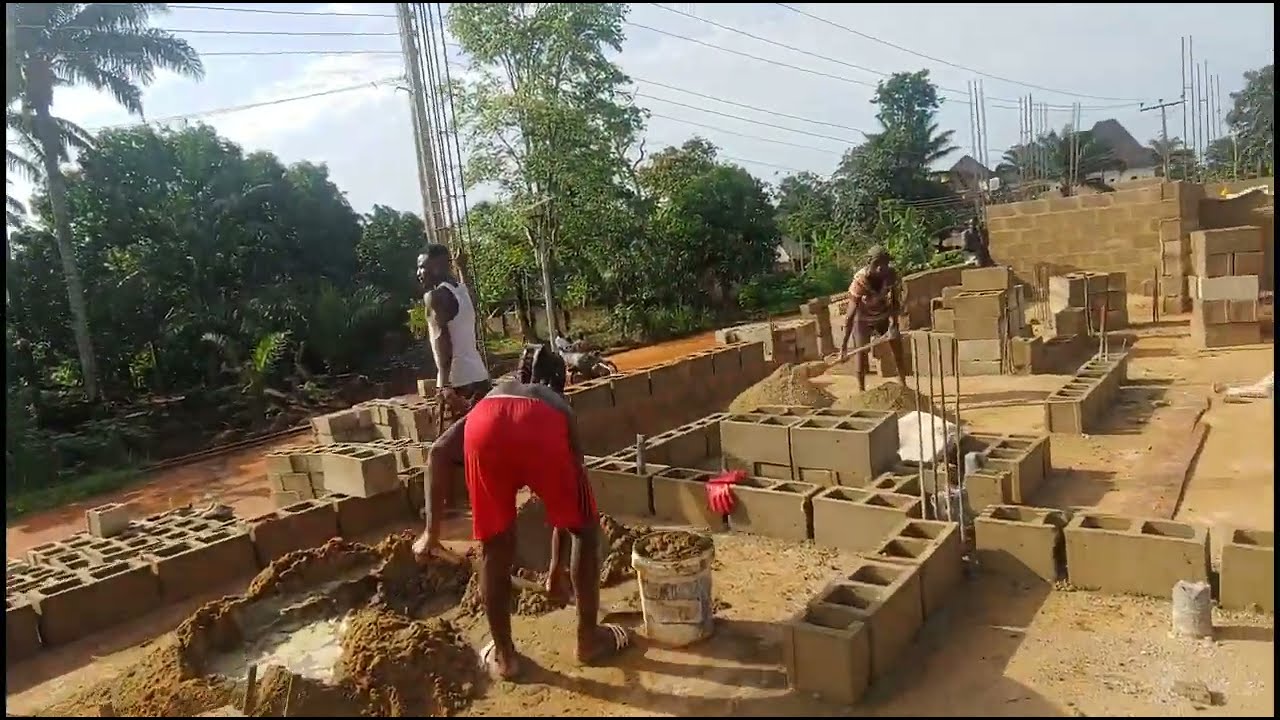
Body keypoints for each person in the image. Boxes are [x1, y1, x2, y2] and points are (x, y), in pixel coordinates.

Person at [412, 344, 632, 680]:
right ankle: (589, 640)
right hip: (542, 427)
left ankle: (505, 656)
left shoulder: (493, 396)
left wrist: (432, 532)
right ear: (560, 381)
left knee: (494, 548)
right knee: (585, 531)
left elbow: (439, 451)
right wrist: (556, 572)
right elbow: (568, 513)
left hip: (484, 428)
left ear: (523, 376)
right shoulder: (557, 405)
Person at [418, 244, 491, 419]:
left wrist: (443, 385)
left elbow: (442, 341)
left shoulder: (435, 297)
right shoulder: (463, 291)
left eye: (422, 267)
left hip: (458, 384)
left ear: (437, 266)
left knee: (456, 443)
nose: (419, 273)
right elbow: (472, 296)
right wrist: (463, 268)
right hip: (479, 376)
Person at [839, 246, 907, 393]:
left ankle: (904, 387)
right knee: (860, 356)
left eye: (885, 263)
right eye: (877, 264)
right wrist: (844, 347)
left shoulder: (891, 276)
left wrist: (894, 325)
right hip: (862, 320)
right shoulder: (860, 281)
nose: (881, 268)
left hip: (883, 315)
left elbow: (896, 302)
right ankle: (861, 392)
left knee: (897, 348)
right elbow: (850, 316)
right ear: (869, 263)